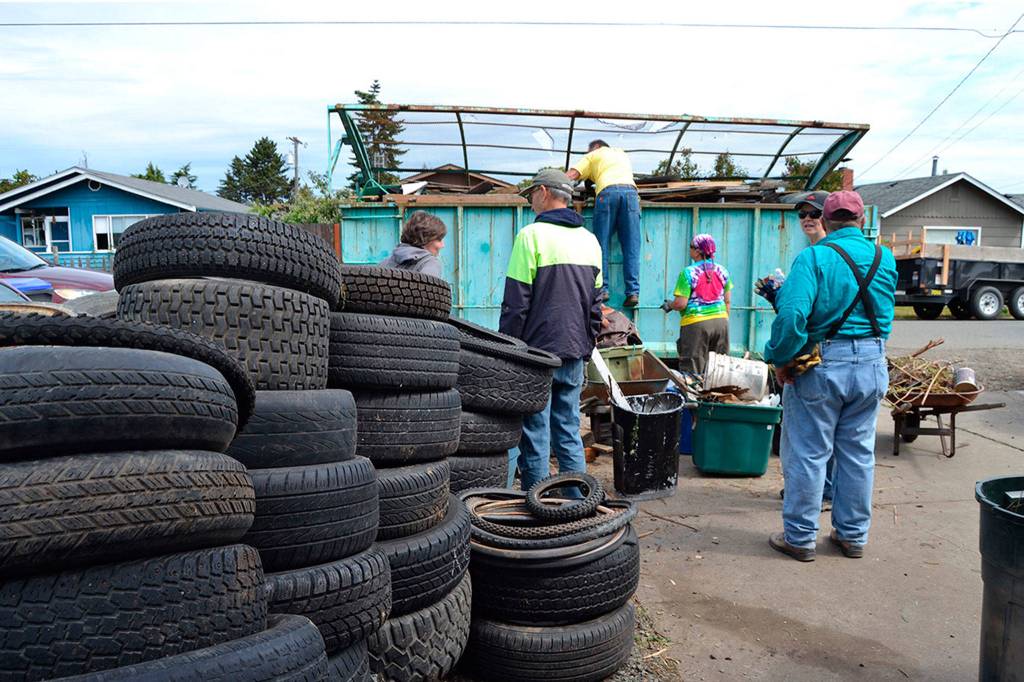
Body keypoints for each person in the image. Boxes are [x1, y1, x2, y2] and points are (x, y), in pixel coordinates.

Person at [764, 190, 897, 562]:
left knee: (808, 454)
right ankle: (853, 536)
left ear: (825, 220)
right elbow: (884, 312)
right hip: (872, 363)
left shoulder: (813, 257)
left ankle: (800, 538)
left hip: (823, 365)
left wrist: (779, 358)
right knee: (858, 454)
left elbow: (792, 316)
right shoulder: (884, 257)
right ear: (861, 220)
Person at [500, 169, 603, 491]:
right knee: (569, 428)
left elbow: (516, 302)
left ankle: (538, 502)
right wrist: (586, 347)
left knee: (535, 431)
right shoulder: (590, 240)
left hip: (537, 354)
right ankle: (578, 500)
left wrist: (509, 349)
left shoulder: (530, 236)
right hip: (574, 351)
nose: (531, 201)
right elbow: (596, 306)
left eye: (532, 194)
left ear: (544, 192)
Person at [566, 140, 641, 308]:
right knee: (631, 246)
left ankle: (603, 289)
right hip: (631, 194)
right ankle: (633, 292)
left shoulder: (594, 155)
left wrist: (551, 183)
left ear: (595, 148)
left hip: (607, 194)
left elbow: (572, 175)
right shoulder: (621, 153)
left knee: (601, 244)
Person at [662, 234, 732, 374]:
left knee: (693, 368)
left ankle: (694, 389)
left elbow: (681, 304)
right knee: (719, 369)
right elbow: (727, 301)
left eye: (691, 247)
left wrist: (670, 305)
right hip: (721, 322)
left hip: (697, 323)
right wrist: (723, 319)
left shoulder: (688, 272)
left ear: (698, 251)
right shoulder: (722, 270)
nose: (689, 250)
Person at [379, 210, 447, 278]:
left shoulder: (383, 264)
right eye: (439, 240)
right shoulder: (430, 263)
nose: (442, 245)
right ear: (425, 239)